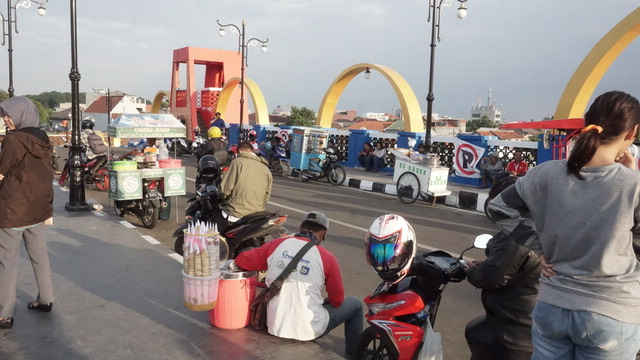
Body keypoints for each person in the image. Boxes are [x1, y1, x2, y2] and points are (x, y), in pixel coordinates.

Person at [488, 91, 640, 360]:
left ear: (587, 123)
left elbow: (499, 208)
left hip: (552, 307)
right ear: (632, 133)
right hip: (612, 312)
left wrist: (538, 247)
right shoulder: (633, 185)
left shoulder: (546, 173)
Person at [235, 211, 363, 359]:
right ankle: (353, 355)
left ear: (301, 227)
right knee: (355, 304)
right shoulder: (327, 257)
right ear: (323, 233)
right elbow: (337, 300)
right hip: (309, 330)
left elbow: (241, 261)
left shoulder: (277, 244)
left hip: (275, 324)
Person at [0, 97, 55, 329]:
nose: (5, 119)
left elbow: (1, 173)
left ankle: (4, 313)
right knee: (39, 255)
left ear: (20, 114)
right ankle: (46, 299)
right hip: (38, 207)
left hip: (13, 209)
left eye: (7, 114)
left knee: (7, 261)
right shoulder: (43, 138)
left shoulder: (14, 140)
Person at [464, 231, 541, 360]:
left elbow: (489, 278)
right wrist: (486, 265)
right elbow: (523, 267)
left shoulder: (520, 234)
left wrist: (471, 271)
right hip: (535, 323)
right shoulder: (548, 230)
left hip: (512, 329)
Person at [217, 142, 272, 229]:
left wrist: (221, 198)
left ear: (239, 152)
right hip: (257, 214)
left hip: (236, 213)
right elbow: (266, 197)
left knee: (212, 229)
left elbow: (224, 190)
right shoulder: (266, 169)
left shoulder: (237, 162)